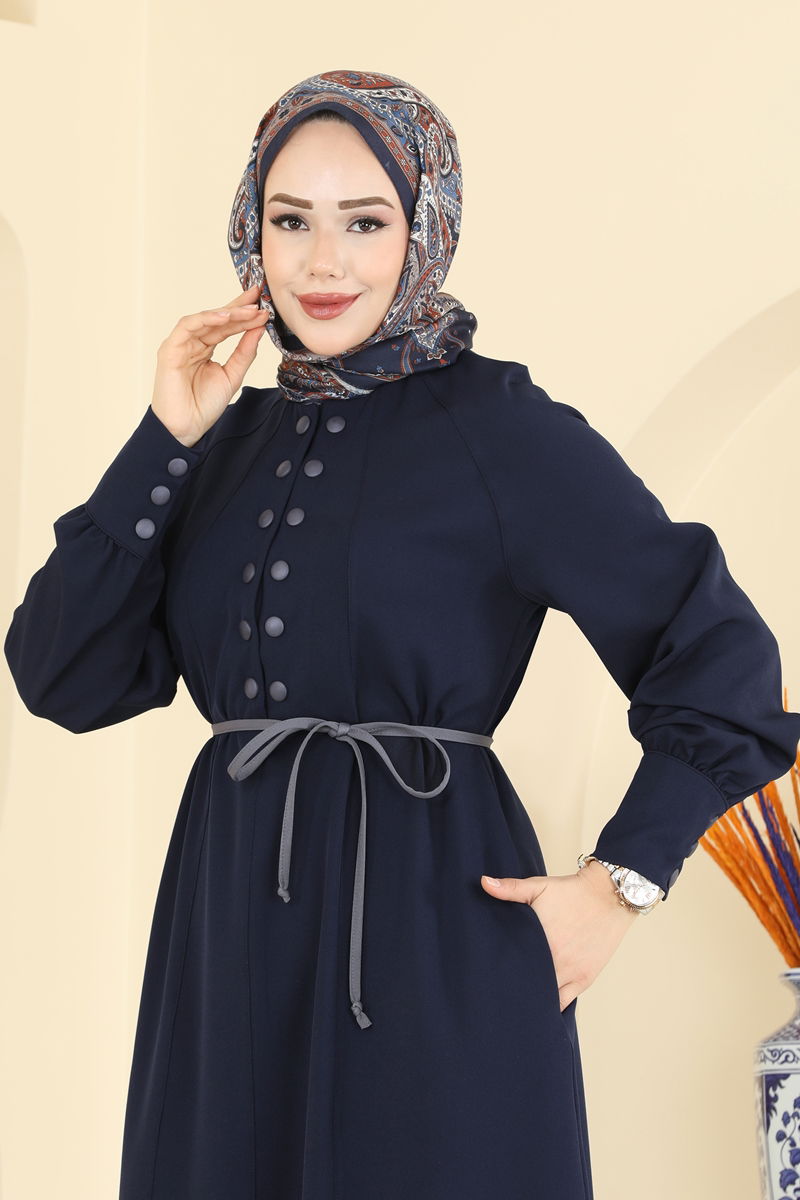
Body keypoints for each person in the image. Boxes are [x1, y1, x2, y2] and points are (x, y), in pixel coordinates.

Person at [4, 67, 799, 1200]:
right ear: (251, 231)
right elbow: (62, 675)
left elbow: (721, 660)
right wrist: (165, 438)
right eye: (291, 221)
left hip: (432, 941)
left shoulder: (500, 427)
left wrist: (620, 883)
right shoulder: (218, 443)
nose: (322, 263)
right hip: (227, 948)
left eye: (365, 222)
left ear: (424, 229)